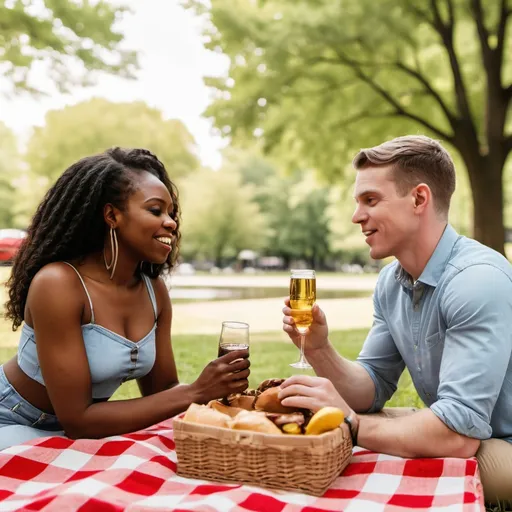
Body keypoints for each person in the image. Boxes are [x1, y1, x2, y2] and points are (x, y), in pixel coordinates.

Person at [280, 135, 512, 502]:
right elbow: (369, 389)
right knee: (337, 433)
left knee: (374, 452)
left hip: (501, 445)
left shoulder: (476, 278)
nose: (356, 216)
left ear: (419, 199)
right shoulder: (392, 282)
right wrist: (320, 349)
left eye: (370, 200)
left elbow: (457, 434)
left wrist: (352, 424)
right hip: (467, 431)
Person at [0, 147, 249, 451]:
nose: (170, 222)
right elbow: (79, 420)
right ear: (111, 215)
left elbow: (163, 392)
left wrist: (216, 390)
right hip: (13, 421)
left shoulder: (153, 290)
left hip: (79, 433)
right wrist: (195, 391)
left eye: (171, 213)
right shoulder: (58, 284)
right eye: (156, 210)